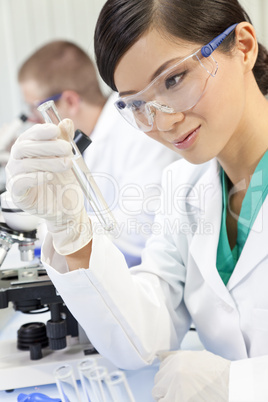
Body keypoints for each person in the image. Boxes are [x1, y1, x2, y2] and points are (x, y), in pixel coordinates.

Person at [5, 0, 268, 400]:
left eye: (175, 80)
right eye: (137, 104)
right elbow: (144, 337)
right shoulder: (183, 184)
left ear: (243, 47)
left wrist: (240, 385)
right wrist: (72, 230)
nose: (162, 122)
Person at [16, 40, 178, 267]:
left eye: (35, 109)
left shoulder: (138, 129)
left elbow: (140, 233)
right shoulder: (84, 141)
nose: (32, 120)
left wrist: (60, 228)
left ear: (70, 101)